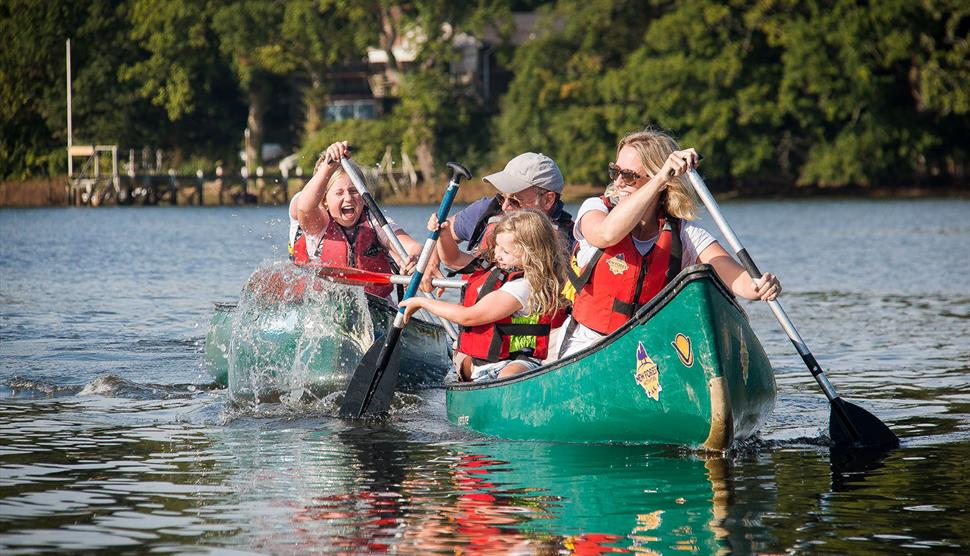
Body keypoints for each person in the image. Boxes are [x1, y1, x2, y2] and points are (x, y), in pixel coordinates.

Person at [557, 128, 782, 357]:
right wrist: (661, 177)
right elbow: (606, 234)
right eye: (614, 171)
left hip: (649, 350)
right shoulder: (595, 209)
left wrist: (759, 286)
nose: (618, 182)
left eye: (628, 176)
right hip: (588, 346)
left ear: (662, 183)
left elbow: (737, 279)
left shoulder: (684, 233)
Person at [400, 210, 570, 382]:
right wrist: (443, 234)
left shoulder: (523, 286)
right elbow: (455, 258)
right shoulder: (501, 267)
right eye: (497, 246)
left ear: (531, 253)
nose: (497, 254)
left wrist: (422, 302)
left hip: (514, 362)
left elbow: (468, 316)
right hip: (483, 363)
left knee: (508, 376)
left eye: (505, 251)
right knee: (462, 362)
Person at [289, 141, 422, 299]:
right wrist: (329, 165)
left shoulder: (375, 221)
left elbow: (412, 247)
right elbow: (304, 207)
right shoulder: (318, 222)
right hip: (321, 304)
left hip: (375, 306)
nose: (348, 199)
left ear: (364, 195)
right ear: (324, 200)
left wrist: (414, 260)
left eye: (354, 191)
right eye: (339, 193)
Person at [423, 152, 575, 283]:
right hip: (476, 313)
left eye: (515, 201)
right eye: (503, 197)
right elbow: (443, 229)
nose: (504, 207)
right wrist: (430, 261)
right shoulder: (487, 210)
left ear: (548, 200)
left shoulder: (574, 238)